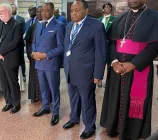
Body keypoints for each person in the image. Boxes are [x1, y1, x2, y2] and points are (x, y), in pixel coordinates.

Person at [100, 0, 158, 139]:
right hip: (117, 68)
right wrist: (114, 62)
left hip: (139, 68)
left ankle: (133, 131)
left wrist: (134, 64)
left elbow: (155, 46)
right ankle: (114, 126)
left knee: (135, 100)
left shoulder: (155, 17)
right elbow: (112, 42)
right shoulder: (120, 18)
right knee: (116, 97)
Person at [62, 1, 107, 139]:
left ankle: (89, 126)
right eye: (71, 11)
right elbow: (68, 47)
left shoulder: (96, 26)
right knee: (73, 96)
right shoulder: (69, 25)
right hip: (70, 69)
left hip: (86, 71)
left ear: (86, 11)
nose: (73, 13)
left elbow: (101, 52)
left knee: (87, 99)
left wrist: (98, 74)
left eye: (77, 10)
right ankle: (74, 118)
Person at [32, 2, 65, 126]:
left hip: (51, 63)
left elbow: (61, 47)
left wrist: (46, 55)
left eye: (46, 11)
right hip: (39, 63)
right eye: (41, 11)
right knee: (43, 87)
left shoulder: (59, 25)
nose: (43, 13)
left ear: (52, 11)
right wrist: (34, 52)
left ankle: (55, 112)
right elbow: (34, 42)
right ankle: (45, 106)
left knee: (54, 89)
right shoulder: (39, 25)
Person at [0, 3, 22, 114]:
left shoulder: (17, 25)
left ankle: (16, 104)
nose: (0, 13)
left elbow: (15, 42)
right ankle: (8, 102)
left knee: (12, 82)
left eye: (2, 11)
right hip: (0, 58)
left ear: (9, 12)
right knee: (4, 82)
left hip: (10, 58)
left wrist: (1, 52)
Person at [25, 6, 42, 103]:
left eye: (41, 12)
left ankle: (44, 96)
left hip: (44, 57)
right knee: (33, 76)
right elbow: (27, 42)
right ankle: (34, 95)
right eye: (38, 12)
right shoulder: (32, 27)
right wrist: (29, 53)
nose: (39, 14)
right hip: (33, 55)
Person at [97, 2, 115, 88]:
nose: (108, 8)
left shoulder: (114, 19)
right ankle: (99, 80)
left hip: (109, 45)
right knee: (99, 63)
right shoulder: (99, 20)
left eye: (109, 7)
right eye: (106, 7)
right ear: (103, 9)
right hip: (100, 45)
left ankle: (107, 82)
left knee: (109, 64)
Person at [11, 4, 26, 82]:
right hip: (10, 44)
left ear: (16, 8)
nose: (12, 9)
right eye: (11, 8)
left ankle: (23, 75)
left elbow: (23, 30)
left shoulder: (21, 19)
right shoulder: (8, 19)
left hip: (19, 43)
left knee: (21, 59)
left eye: (13, 7)